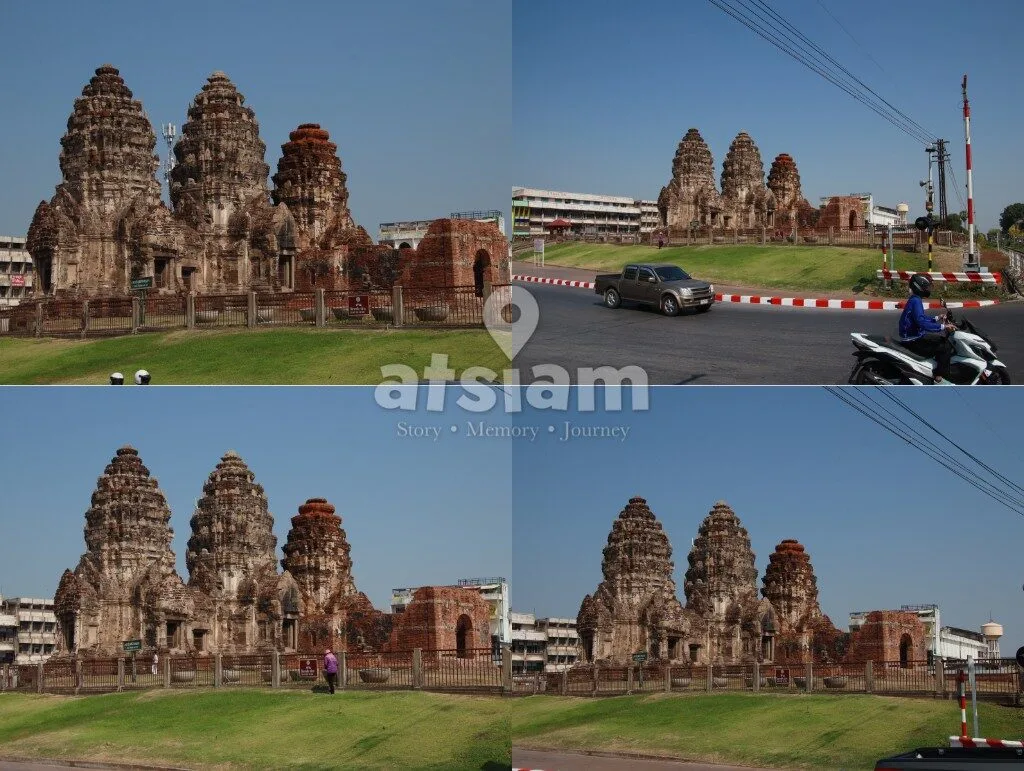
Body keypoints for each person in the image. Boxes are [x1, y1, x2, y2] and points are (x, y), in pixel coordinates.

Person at [898, 273, 956, 384]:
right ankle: (939, 378)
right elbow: (921, 323)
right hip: (913, 340)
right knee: (945, 346)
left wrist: (936, 318)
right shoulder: (916, 301)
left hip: (913, 337)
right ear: (919, 287)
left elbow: (920, 318)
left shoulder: (915, 299)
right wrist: (943, 326)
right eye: (926, 287)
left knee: (939, 340)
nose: (928, 289)